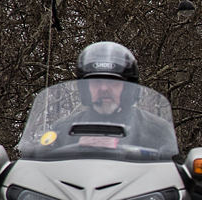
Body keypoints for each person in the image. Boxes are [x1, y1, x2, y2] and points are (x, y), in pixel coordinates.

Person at [45, 42, 174, 155]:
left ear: (128, 90)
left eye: (113, 82)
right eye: (96, 82)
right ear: (85, 89)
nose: (104, 89)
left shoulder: (157, 130)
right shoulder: (63, 130)